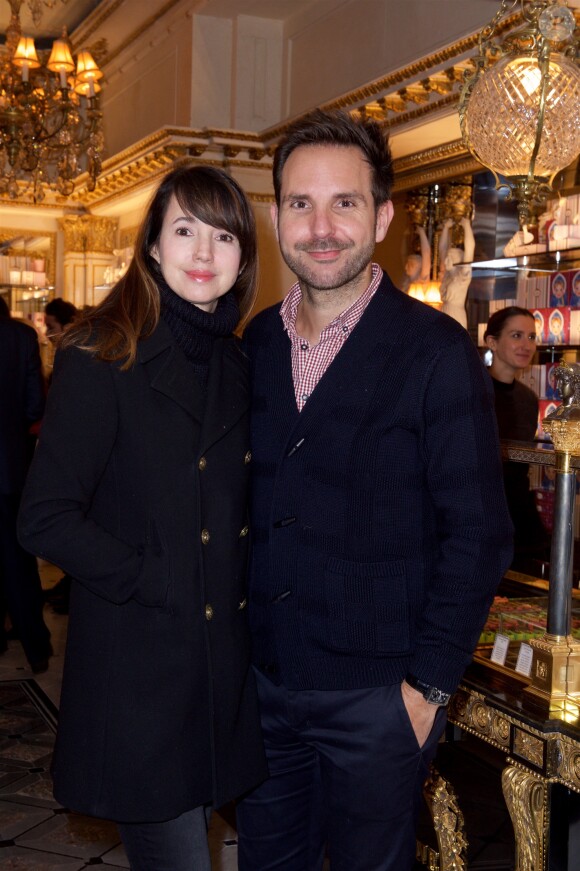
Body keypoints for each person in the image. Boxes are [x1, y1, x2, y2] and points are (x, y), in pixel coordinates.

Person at [236, 109, 513, 871]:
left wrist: (424, 686)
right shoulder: (254, 344)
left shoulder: (436, 352)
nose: (321, 227)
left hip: (377, 697)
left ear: (383, 214)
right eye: (301, 203)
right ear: (277, 215)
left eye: (345, 203)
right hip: (264, 687)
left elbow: (479, 533)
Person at [18, 163, 268, 871]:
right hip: (138, 675)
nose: (202, 252)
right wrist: (154, 576)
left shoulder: (238, 364)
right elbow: (44, 518)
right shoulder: (102, 351)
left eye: (223, 236)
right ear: (153, 246)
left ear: (243, 258)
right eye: (184, 230)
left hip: (219, 674)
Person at [0, 297, 52, 672]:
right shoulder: (21, 337)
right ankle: (36, 646)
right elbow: (36, 407)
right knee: (18, 560)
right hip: (11, 467)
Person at [484, 306, 550, 570]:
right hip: (482, 512)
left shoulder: (528, 399)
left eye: (531, 337)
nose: (526, 345)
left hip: (518, 512)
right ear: (492, 342)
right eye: (516, 335)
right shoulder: (473, 390)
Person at [438, 216, 475, 328]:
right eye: (447, 257)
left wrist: (467, 226)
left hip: (456, 315)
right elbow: (442, 250)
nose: (446, 260)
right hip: (444, 312)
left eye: (451, 258)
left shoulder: (462, 276)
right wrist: (445, 228)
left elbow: (470, 249)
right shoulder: (447, 275)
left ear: (459, 260)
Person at [401, 225, 430, 294]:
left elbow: (426, 254)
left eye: (410, 265)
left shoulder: (421, 279)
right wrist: (405, 237)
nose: (406, 267)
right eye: (407, 264)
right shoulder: (408, 281)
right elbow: (403, 254)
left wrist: (422, 232)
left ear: (419, 266)